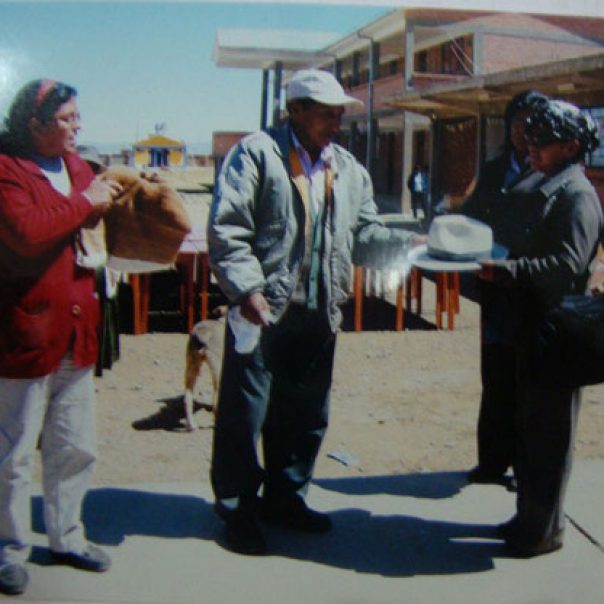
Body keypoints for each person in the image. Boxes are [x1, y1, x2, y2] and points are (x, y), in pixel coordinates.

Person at [208, 69, 421, 555]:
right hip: (263, 311)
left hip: (319, 312)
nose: (336, 121)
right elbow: (228, 228)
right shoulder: (256, 154)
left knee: (304, 415)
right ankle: (238, 509)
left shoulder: (347, 168)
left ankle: (286, 499)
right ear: (295, 110)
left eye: (339, 112)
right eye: (326, 112)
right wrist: (246, 290)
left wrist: (410, 245)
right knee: (246, 416)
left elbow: (364, 235)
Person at [0, 79, 122, 595]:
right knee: (14, 450)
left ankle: (67, 536)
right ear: (34, 124)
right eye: (67, 119)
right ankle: (7, 549)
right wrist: (86, 200)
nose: (78, 126)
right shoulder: (8, 170)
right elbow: (25, 232)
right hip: (26, 333)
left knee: (75, 444)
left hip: (76, 328)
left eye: (78, 116)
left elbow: (94, 214)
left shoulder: (76, 167)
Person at [478, 99, 603, 556]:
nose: (531, 148)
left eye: (542, 142)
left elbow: (564, 268)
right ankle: (527, 518)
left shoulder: (577, 195)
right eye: (529, 140)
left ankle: (544, 531)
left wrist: (504, 269)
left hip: (559, 334)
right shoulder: (550, 183)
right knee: (529, 434)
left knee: (549, 439)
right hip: (532, 328)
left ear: (571, 146)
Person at [460, 90, 549, 487]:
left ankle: (522, 466)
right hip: (495, 288)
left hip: (529, 289)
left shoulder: (551, 170)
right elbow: (471, 219)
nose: (525, 131)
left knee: (525, 379)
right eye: (518, 121)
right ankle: (491, 462)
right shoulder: (495, 171)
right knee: (494, 374)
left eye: (533, 123)